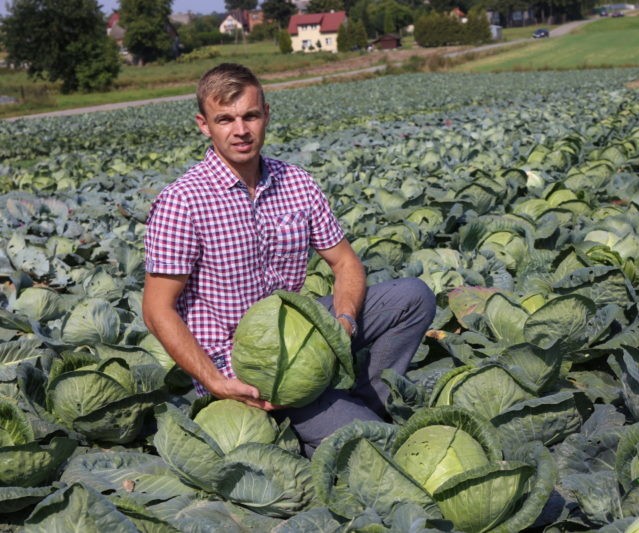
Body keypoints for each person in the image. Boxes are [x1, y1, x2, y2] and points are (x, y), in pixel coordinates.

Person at [142, 63, 436, 455]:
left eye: (250, 115)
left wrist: (344, 321)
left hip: (301, 331)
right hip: (244, 368)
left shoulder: (295, 182)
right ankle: (322, 420)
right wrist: (214, 381)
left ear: (266, 114)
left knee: (413, 297)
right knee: (372, 450)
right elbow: (156, 309)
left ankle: (366, 400)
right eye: (225, 119)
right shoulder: (183, 201)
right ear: (204, 125)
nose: (240, 130)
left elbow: (346, 263)